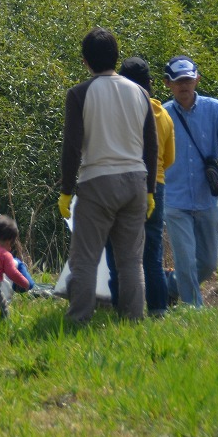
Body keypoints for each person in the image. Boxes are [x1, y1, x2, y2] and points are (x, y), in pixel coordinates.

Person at [58, 27, 158, 324]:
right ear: (117, 56)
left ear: (85, 61)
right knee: (130, 260)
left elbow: (72, 146)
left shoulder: (79, 93)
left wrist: (66, 190)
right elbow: (150, 145)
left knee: (85, 258)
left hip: (97, 181)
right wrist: (150, 190)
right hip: (136, 182)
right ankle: (133, 319)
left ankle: (79, 319)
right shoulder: (139, 92)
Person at [161, 55, 218, 308]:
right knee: (186, 261)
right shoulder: (162, 115)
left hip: (207, 199)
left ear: (198, 79)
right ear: (168, 83)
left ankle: (171, 286)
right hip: (175, 200)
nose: (184, 86)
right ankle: (194, 314)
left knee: (210, 262)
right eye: (178, 81)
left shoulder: (215, 109)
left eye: (188, 79)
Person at [104, 57, 176, 317]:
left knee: (116, 254)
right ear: (151, 84)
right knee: (152, 255)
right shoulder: (164, 115)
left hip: (120, 183)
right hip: (154, 185)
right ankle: (158, 310)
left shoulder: (114, 112)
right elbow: (169, 158)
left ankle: (120, 308)